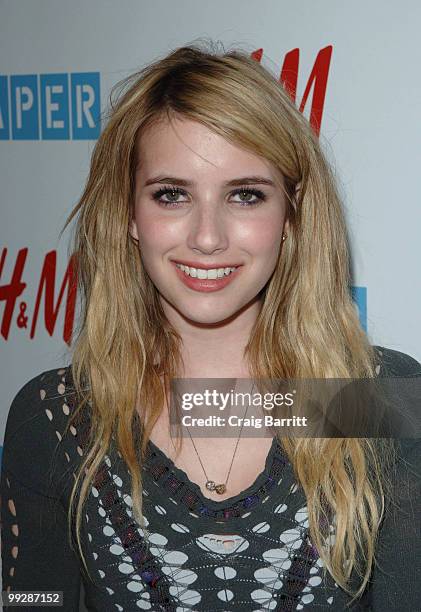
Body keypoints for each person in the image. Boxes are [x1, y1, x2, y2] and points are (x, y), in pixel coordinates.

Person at [1, 41, 420, 612]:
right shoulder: (62, 416)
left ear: (291, 215)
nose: (207, 236)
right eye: (171, 195)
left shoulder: (370, 399)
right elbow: (33, 598)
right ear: (127, 211)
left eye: (245, 196)